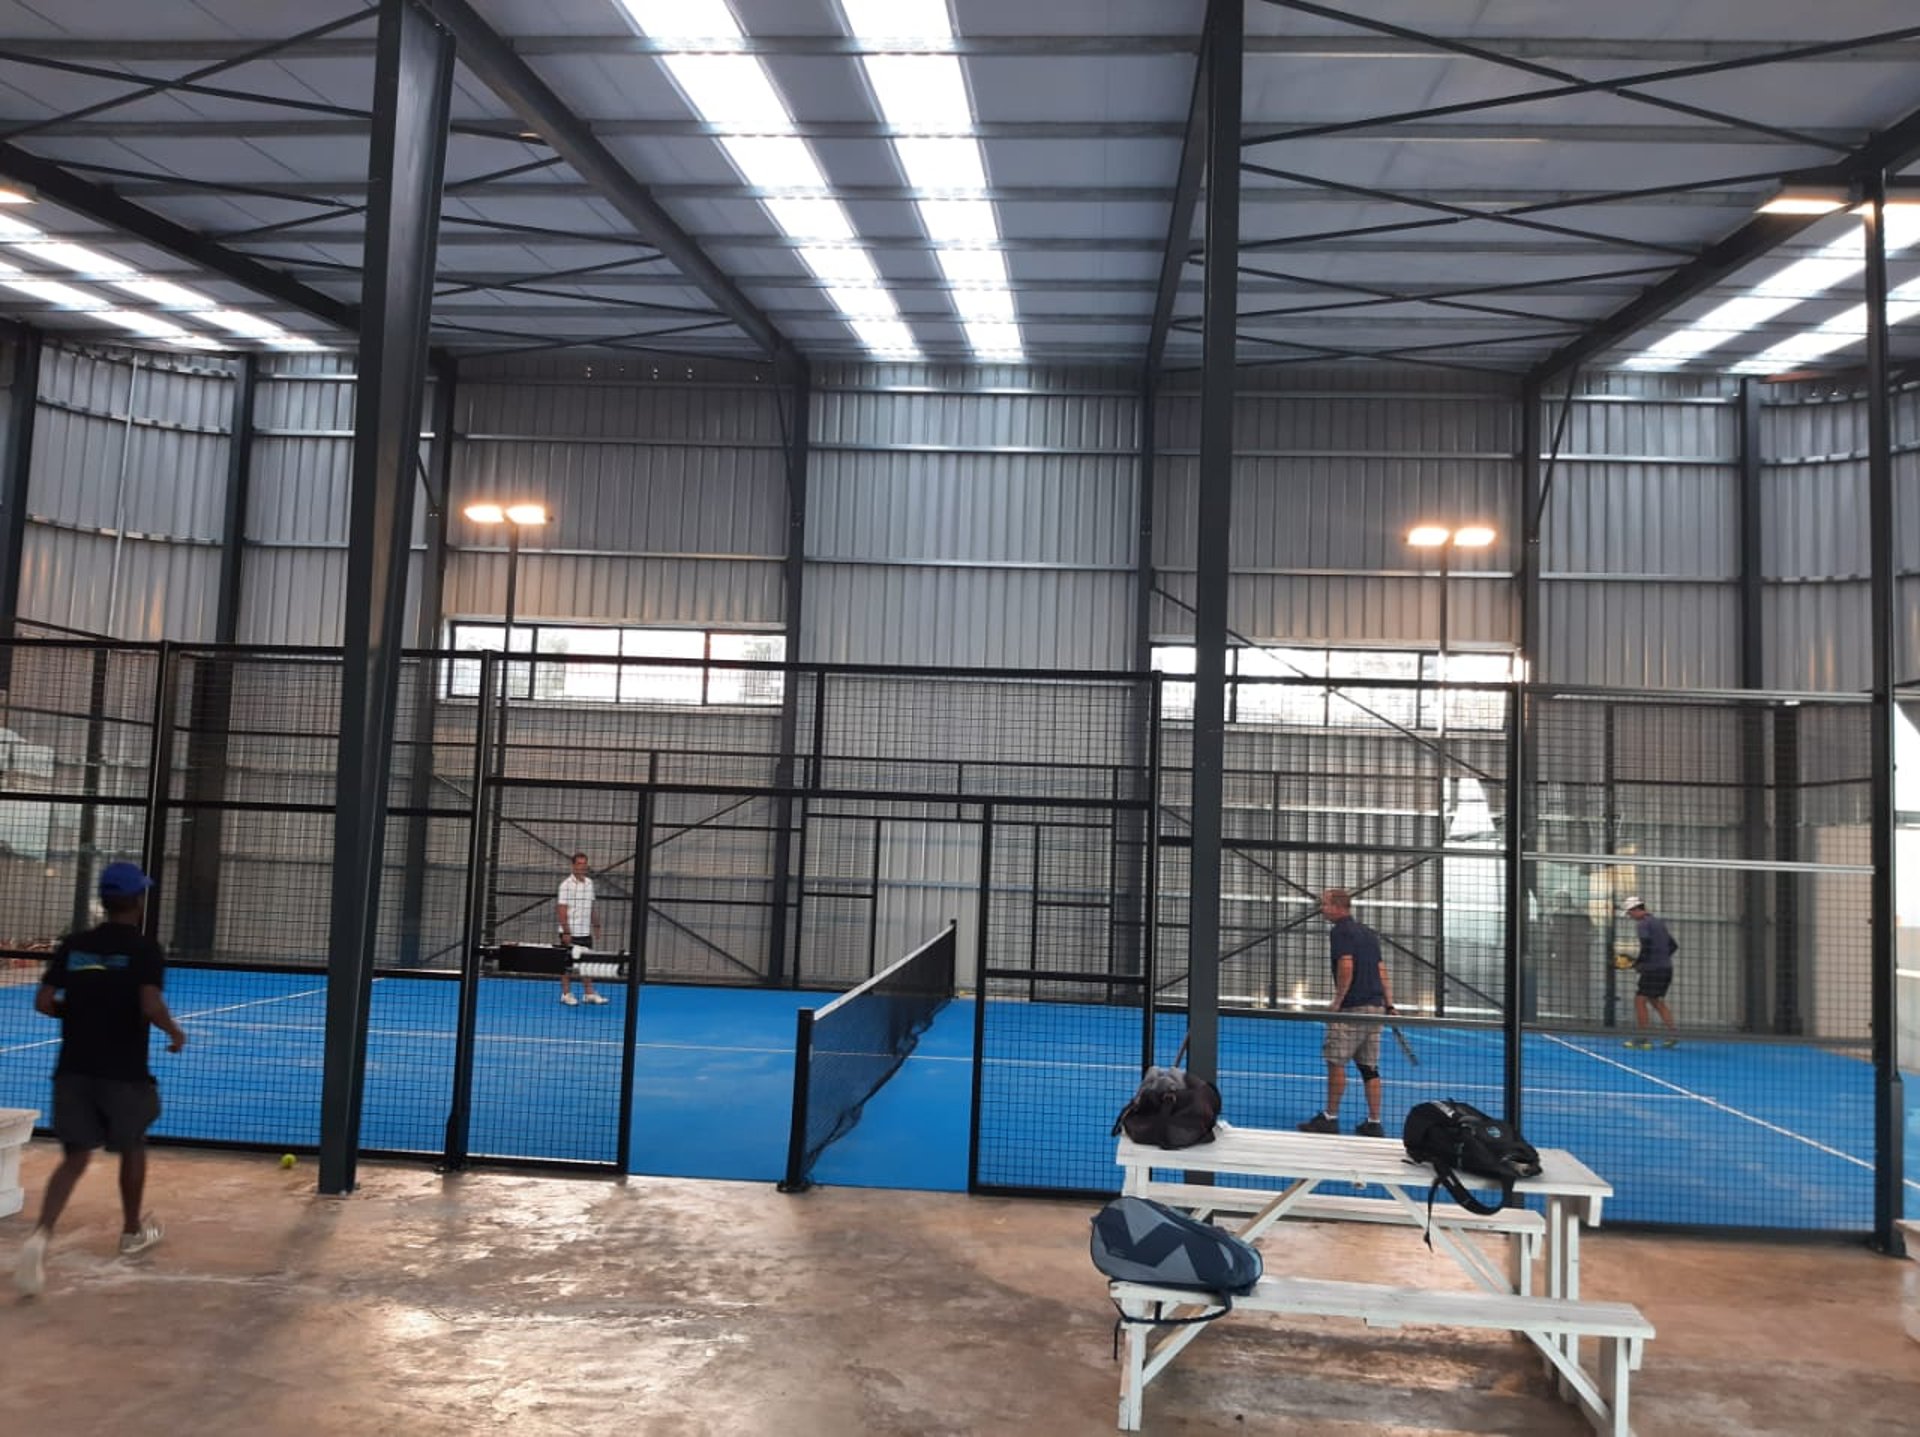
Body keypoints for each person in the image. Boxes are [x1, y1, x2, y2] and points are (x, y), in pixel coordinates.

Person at [14, 861, 187, 1298]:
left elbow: (43, 1000)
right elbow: (149, 1003)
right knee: (133, 1144)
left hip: (73, 1067)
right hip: (123, 1069)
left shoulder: (74, 945)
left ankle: (40, 1235)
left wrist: (79, 1012)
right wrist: (174, 1031)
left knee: (73, 1158)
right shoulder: (145, 949)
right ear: (137, 901)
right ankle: (131, 1231)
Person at [1298, 888, 1395, 1137]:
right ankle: (1374, 1122)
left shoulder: (1341, 931)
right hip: (1375, 1008)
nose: (1322, 908)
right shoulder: (1368, 933)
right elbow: (1381, 969)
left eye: (1325, 904)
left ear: (1338, 907)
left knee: (1336, 1062)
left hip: (1352, 1008)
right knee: (1369, 1067)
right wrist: (1389, 1003)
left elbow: (1346, 965)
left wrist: (1338, 1001)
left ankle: (1329, 1118)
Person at [1622, 896, 1678, 1050]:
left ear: (1636, 909)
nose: (1630, 916)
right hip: (1666, 969)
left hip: (1653, 971)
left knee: (1639, 1001)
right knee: (1656, 1001)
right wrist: (1661, 959)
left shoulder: (1643, 925)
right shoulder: (1658, 922)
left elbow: (1646, 946)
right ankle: (1674, 1034)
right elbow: (1673, 945)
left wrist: (1639, 963)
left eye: (1630, 913)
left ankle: (1642, 1039)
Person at [556, 851, 607, 1006]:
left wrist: (596, 924)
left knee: (587, 963)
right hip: (570, 932)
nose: (582, 866)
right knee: (567, 965)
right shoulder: (565, 885)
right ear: (573, 865)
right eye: (579, 863)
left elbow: (591, 906)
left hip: (585, 932)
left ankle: (589, 993)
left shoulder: (590, 883)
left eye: (584, 864)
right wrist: (566, 931)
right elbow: (562, 910)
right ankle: (566, 994)